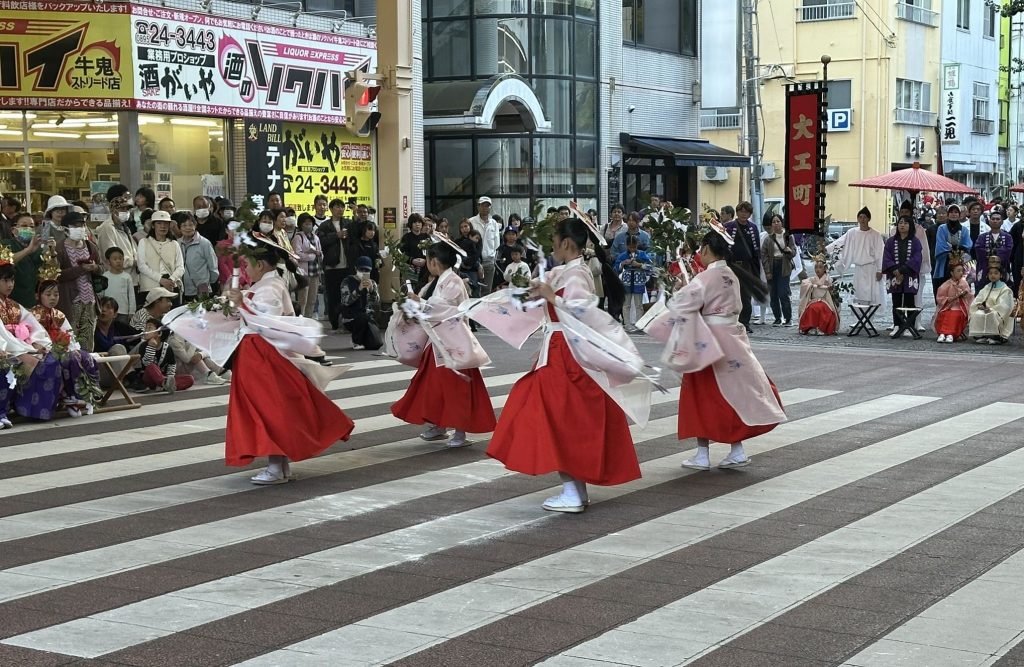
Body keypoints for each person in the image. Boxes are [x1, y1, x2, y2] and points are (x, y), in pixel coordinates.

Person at [486, 217, 646, 513]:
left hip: (567, 351)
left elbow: (582, 312)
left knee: (557, 416)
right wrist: (536, 290)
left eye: (555, 240)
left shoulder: (576, 275)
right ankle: (574, 488)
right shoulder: (569, 271)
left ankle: (573, 489)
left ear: (566, 244)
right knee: (563, 416)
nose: (551, 245)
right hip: (560, 349)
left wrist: (550, 297)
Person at [216, 233, 354, 484]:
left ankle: (276, 466)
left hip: (261, 352)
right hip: (259, 351)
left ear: (260, 265)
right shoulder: (268, 285)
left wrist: (242, 304)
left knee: (267, 408)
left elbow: (265, 320)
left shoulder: (270, 287)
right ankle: (278, 463)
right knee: (270, 407)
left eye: (247, 264)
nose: (245, 269)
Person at [665, 220, 786, 470]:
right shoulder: (730, 274)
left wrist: (677, 290)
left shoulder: (706, 277)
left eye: (701, 247)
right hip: (732, 337)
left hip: (708, 340)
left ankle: (702, 453)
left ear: (708, 248)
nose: (699, 252)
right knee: (736, 394)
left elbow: (682, 305)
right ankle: (737, 449)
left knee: (700, 395)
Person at [391, 240, 494, 449]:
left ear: (434, 261)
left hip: (453, 342)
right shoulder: (437, 282)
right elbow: (430, 307)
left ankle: (460, 430)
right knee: (433, 387)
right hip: (438, 342)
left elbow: (445, 310)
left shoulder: (453, 281)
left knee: (455, 387)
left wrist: (419, 303)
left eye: (429, 259)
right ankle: (439, 425)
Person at [0, 255, 64, 424]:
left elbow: (33, 326)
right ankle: (9, 409)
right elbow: (3, 335)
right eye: (5, 280)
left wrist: (38, 343)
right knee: (19, 365)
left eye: (12, 280)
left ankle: (36, 409)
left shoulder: (13, 305)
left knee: (50, 361)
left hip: (19, 346)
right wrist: (24, 351)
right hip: (8, 349)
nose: (10, 285)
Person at [31, 279, 101, 416]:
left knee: (84, 356)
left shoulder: (59, 315)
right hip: (43, 351)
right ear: (38, 296)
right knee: (69, 359)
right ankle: (70, 396)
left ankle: (87, 395)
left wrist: (73, 348)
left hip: (61, 349)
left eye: (56, 294)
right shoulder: (33, 315)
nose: (52, 298)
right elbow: (34, 338)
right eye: (48, 294)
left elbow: (70, 335)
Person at [54, 212, 102, 352]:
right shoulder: (59, 248)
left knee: (87, 340)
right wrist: (80, 269)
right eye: (75, 225)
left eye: (82, 225)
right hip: (70, 300)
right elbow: (56, 275)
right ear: (65, 229)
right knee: (69, 339)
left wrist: (95, 268)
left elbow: (102, 267)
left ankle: (86, 369)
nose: (80, 228)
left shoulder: (90, 246)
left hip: (90, 300)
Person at [830, 207, 885, 307]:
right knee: (858, 294)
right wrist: (827, 249)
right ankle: (859, 318)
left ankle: (869, 319)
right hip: (859, 270)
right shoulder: (852, 233)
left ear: (869, 219)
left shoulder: (875, 235)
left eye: (865, 217)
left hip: (871, 270)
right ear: (858, 219)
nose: (862, 219)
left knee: (871, 296)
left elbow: (880, 253)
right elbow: (841, 242)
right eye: (860, 217)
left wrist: (880, 269)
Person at [882, 216, 924, 337]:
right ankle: (897, 325)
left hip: (909, 274)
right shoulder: (890, 241)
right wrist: (895, 270)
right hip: (894, 275)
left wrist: (902, 270)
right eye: (900, 223)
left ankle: (909, 326)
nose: (902, 225)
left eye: (906, 223)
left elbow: (917, 258)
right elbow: (887, 257)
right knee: (896, 301)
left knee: (910, 301)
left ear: (910, 226)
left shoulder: (915, 241)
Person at [724, 201, 761, 332]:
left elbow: (757, 250)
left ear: (750, 214)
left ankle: (744, 322)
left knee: (746, 295)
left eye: (746, 212)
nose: (743, 214)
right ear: (737, 212)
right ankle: (730, 321)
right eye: (741, 211)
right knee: (730, 294)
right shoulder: (728, 226)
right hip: (731, 265)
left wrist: (757, 271)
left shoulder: (753, 228)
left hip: (747, 266)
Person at [316, 199, 352, 332]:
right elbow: (320, 242)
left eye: (342, 207)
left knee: (347, 295)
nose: (340, 209)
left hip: (347, 266)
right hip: (332, 266)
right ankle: (334, 323)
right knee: (333, 296)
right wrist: (335, 235)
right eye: (337, 207)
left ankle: (347, 322)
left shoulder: (348, 223)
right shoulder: (325, 225)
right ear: (331, 209)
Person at [94, 191, 138, 295]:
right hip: (116, 277)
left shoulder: (125, 227)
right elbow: (110, 255)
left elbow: (133, 250)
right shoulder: (107, 228)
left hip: (130, 277)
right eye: (122, 209)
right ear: (113, 210)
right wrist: (133, 262)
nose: (126, 212)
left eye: (127, 209)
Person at [2, 212, 48, 308]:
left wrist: (52, 253)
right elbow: (4, 262)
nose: (29, 229)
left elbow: (47, 272)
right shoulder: (6, 245)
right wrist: (28, 250)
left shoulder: (37, 249)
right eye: (24, 226)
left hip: (31, 302)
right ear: (14, 230)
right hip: (9, 301)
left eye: (32, 227)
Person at [136, 210, 184, 304]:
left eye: (166, 223)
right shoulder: (144, 242)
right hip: (150, 286)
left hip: (171, 286)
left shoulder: (174, 244)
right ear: (153, 225)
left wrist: (171, 279)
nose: (163, 226)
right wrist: (160, 279)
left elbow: (180, 267)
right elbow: (141, 266)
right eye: (159, 223)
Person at [137, 318, 193, 393]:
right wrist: (151, 347)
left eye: (149, 328)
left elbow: (171, 365)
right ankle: (164, 384)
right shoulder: (143, 346)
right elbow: (146, 363)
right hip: (149, 378)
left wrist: (170, 377)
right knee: (151, 366)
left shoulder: (167, 347)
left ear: (159, 333)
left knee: (190, 379)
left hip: (164, 376)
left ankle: (165, 385)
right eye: (145, 328)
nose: (145, 331)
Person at [760, 214, 796, 326]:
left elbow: (794, 252)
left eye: (778, 221)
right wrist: (767, 271)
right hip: (772, 265)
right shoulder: (768, 239)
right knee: (773, 294)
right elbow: (764, 255)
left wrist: (790, 251)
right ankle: (777, 318)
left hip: (784, 265)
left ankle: (788, 318)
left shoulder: (788, 236)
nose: (776, 224)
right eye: (773, 222)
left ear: (782, 222)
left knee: (783, 293)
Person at [339, 256, 383, 351]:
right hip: (351, 317)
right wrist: (358, 290)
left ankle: (362, 339)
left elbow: (376, 303)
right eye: (361, 269)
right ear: (356, 269)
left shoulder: (372, 283)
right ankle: (356, 341)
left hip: (367, 317)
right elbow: (345, 301)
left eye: (367, 270)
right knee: (363, 317)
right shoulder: (347, 281)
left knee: (375, 344)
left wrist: (371, 290)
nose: (364, 272)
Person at [968, 258, 1015, 345]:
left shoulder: (1005, 289)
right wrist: (979, 305)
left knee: (992, 314)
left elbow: (1004, 306)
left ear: (1001, 275)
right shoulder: (987, 287)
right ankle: (982, 335)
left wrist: (990, 308)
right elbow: (978, 299)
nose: (993, 275)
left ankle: (996, 336)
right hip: (985, 309)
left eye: (996, 273)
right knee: (977, 313)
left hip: (996, 311)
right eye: (990, 273)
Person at [933, 204, 973, 298]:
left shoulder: (964, 230)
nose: (953, 214)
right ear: (948, 214)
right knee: (943, 291)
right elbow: (940, 244)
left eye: (956, 212)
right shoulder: (942, 228)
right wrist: (954, 250)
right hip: (944, 262)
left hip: (961, 262)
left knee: (961, 290)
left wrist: (959, 250)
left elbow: (967, 244)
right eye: (951, 212)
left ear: (960, 215)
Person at [177, 214, 219, 302]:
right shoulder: (177, 243)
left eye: (191, 224)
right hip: (183, 289)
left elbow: (213, 265)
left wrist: (207, 283)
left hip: (202, 289)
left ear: (195, 226)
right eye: (184, 225)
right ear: (179, 228)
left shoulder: (204, 243)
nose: (188, 228)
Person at [615, 234, 653, 331]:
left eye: (634, 246)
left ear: (637, 245)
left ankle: (639, 324)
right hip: (627, 280)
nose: (632, 249)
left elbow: (650, 266)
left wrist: (640, 265)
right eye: (630, 247)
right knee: (626, 304)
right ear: (627, 246)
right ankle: (627, 323)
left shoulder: (642, 254)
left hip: (638, 280)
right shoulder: (622, 256)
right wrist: (623, 263)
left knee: (639, 304)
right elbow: (616, 268)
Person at [468, 196, 502, 295]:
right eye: (482, 205)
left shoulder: (494, 223)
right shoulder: (471, 221)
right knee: (474, 289)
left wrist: (493, 256)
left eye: (487, 206)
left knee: (487, 290)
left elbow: (497, 243)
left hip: (489, 260)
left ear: (490, 207)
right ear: (478, 207)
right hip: (475, 261)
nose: (485, 208)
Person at [974, 209, 1013, 292]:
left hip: (1002, 267)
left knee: (1002, 291)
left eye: (998, 219)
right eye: (993, 219)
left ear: (1002, 222)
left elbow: (1008, 250)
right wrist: (994, 253)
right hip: (985, 268)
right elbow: (978, 249)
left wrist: (992, 253)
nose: (995, 221)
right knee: (983, 291)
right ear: (989, 221)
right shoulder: (982, 237)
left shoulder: (1007, 237)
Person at [293, 213, 323, 319]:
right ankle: (301, 320)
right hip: (303, 273)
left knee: (312, 299)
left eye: (310, 223)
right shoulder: (298, 237)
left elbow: (320, 252)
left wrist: (319, 254)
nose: (308, 226)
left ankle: (309, 319)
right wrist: (311, 256)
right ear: (301, 225)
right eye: (306, 224)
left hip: (314, 271)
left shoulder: (316, 237)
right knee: (303, 299)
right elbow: (297, 254)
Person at [934, 263, 973, 343]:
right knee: (944, 314)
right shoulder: (946, 284)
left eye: (962, 271)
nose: (961, 273)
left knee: (955, 315)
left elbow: (970, 296)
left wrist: (965, 294)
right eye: (958, 271)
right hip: (948, 306)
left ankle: (950, 334)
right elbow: (940, 298)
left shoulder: (964, 283)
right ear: (952, 273)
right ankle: (942, 333)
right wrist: (951, 299)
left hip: (960, 307)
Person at [798, 261, 839, 336]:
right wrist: (811, 285)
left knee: (822, 308)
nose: (818, 269)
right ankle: (811, 327)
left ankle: (822, 328)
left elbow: (833, 291)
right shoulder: (812, 279)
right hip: (813, 301)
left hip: (825, 301)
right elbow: (804, 283)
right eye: (816, 267)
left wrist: (830, 288)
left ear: (825, 269)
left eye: (820, 267)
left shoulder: (828, 280)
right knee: (812, 308)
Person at [100, 247, 136, 324]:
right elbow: (101, 294)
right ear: (108, 262)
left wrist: (131, 311)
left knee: (121, 331)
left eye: (120, 258)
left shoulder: (127, 277)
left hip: (123, 311)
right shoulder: (105, 276)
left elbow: (131, 295)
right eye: (115, 259)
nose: (118, 261)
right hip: (108, 311)